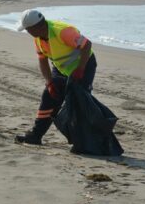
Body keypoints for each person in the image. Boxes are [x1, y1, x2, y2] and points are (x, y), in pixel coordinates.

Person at [14, 9, 97, 146]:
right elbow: (42, 60)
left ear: (38, 27)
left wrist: (81, 69)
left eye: (28, 30)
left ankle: (85, 139)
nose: (28, 33)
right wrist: (49, 82)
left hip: (84, 65)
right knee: (49, 96)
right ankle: (36, 135)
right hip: (60, 69)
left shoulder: (63, 32)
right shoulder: (38, 38)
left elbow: (86, 45)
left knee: (78, 101)